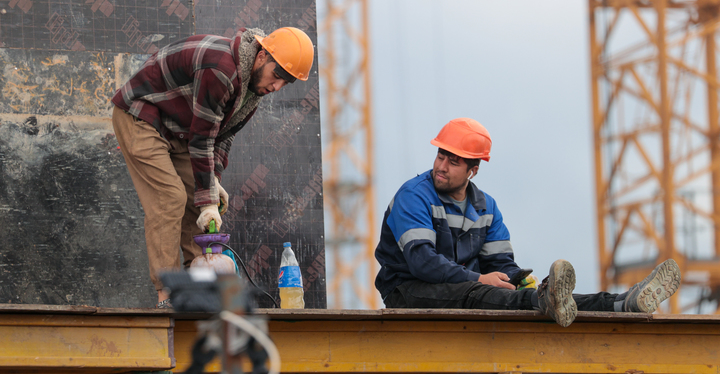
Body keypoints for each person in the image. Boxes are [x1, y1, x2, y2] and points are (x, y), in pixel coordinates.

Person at [374, 117, 682, 327]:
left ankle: (621, 303)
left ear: (473, 170)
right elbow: (422, 262)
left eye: (453, 162)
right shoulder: (413, 195)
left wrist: (517, 279)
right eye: (441, 156)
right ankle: (545, 301)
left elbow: (500, 262)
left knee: (528, 295)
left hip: (463, 286)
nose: (441, 167)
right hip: (407, 288)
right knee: (482, 294)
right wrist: (481, 279)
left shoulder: (486, 207)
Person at [111, 27, 314, 308]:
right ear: (261, 55)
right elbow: (203, 137)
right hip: (141, 115)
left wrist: (213, 183)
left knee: (201, 205)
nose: (276, 87)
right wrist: (207, 192)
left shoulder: (252, 90)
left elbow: (223, 136)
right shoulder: (222, 68)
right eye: (277, 75)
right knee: (170, 198)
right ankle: (166, 296)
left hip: (178, 129)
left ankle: (199, 292)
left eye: (286, 83)